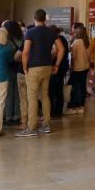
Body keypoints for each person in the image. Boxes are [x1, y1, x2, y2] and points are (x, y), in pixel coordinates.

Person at [18, 9, 58, 137]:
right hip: (47, 66)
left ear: (34, 18)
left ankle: (32, 127)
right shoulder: (51, 32)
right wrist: (56, 64)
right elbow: (59, 49)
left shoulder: (30, 32)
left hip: (34, 67)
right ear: (45, 18)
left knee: (32, 97)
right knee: (45, 95)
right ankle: (46, 125)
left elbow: (25, 52)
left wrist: (24, 67)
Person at [65, 23, 91, 115]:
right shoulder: (86, 42)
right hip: (85, 67)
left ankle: (74, 105)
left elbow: (74, 57)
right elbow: (89, 56)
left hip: (77, 68)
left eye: (73, 29)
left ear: (77, 31)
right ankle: (81, 106)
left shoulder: (76, 42)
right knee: (82, 86)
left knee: (73, 87)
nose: (72, 31)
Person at [2, 20, 24, 125]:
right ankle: (17, 115)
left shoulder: (7, 40)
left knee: (9, 93)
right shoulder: (21, 38)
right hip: (19, 68)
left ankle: (9, 116)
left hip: (9, 67)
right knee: (18, 93)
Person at [48, 26, 69, 118]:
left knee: (52, 90)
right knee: (59, 90)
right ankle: (58, 111)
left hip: (56, 67)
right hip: (63, 67)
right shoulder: (63, 39)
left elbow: (55, 52)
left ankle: (52, 111)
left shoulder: (56, 40)